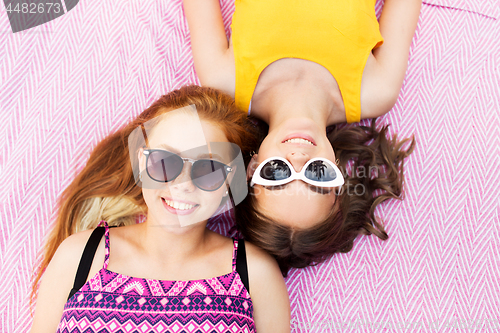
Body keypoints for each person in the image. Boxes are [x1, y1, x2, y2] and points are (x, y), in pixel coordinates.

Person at [183, 0, 421, 274]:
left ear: (252, 168)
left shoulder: (223, 81)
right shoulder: (376, 91)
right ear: (340, 176)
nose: (298, 158)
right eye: (318, 174)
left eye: (276, 173)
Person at [29, 85, 291, 332]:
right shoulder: (80, 256)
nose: (183, 185)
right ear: (142, 162)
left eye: (208, 168)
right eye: (165, 161)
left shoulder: (255, 274)